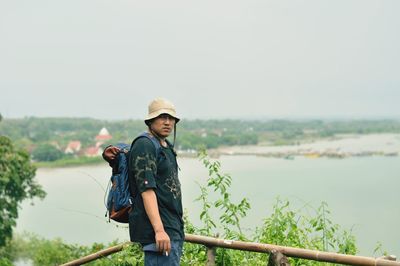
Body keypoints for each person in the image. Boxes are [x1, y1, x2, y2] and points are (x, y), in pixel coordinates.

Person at [104, 98, 184, 265]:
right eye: (162, 117)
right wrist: (159, 230)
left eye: (171, 118)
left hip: (172, 228)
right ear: (150, 120)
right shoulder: (144, 145)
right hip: (159, 233)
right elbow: (146, 190)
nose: (167, 122)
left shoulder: (165, 146)